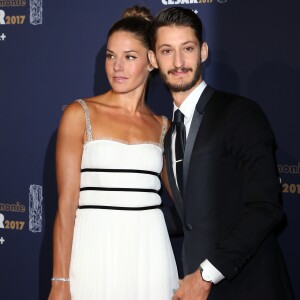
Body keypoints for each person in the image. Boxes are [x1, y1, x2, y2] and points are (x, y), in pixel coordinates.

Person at [148, 6, 295, 300]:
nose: (178, 62)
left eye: (187, 48)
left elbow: (265, 207)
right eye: (167, 51)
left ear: (203, 51)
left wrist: (206, 275)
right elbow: (189, 215)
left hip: (251, 287)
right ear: (153, 59)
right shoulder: (167, 133)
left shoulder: (240, 113)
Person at [48, 6, 179, 300]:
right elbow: (67, 206)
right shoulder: (79, 114)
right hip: (92, 256)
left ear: (152, 61)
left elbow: (189, 203)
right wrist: (59, 282)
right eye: (110, 56)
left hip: (150, 259)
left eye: (129, 57)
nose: (116, 66)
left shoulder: (163, 127)